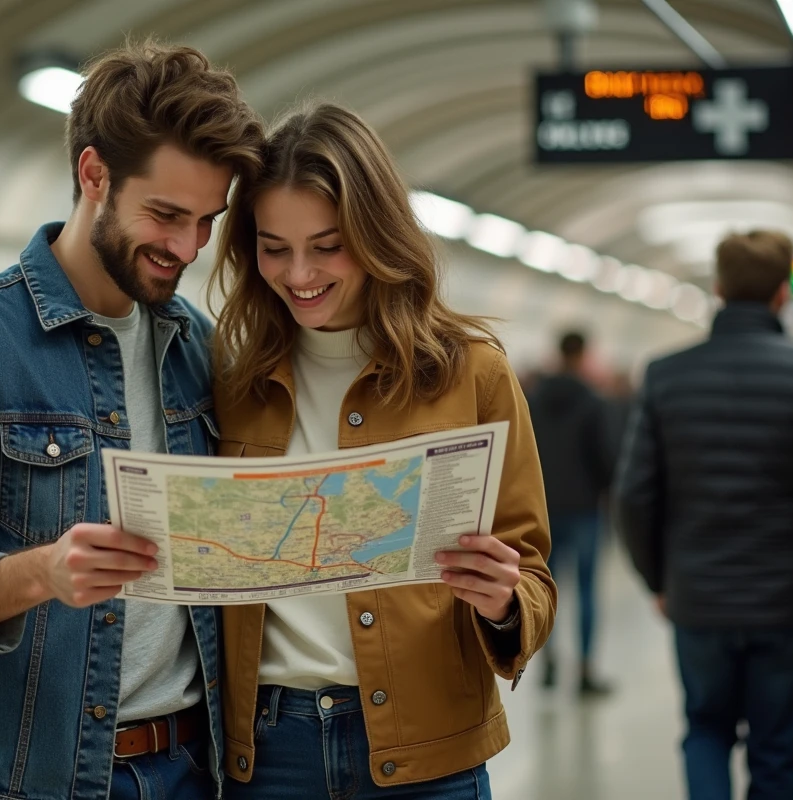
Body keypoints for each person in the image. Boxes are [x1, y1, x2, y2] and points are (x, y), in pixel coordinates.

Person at [0, 41, 263, 800]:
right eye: (166, 215)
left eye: (206, 221)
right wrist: (41, 572)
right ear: (94, 174)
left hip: (189, 769)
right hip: (27, 780)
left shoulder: (197, 348)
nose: (186, 247)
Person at [208, 102, 556, 799]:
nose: (299, 273)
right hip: (268, 756)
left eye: (327, 245)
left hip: (430, 753)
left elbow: (533, 576)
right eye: (274, 248)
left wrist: (502, 602)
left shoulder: (471, 373)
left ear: (375, 234)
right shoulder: (230, 380)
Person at [616, 230, 793, 800]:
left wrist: (659, 579)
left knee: (706, 730)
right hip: (787, 599)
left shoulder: (666, 374)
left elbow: (634, 495)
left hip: (698, 595)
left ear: (718, 287)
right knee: (776, 751)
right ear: (783, 292)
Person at [527, 331, 614, 695]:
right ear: (583, 355)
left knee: (546, 589)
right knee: (587, 590)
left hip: (542, 510)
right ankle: (584, 670)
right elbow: (605, 456)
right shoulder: (592, 401)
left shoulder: (533, 399)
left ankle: (547, 663)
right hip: (584, 509)